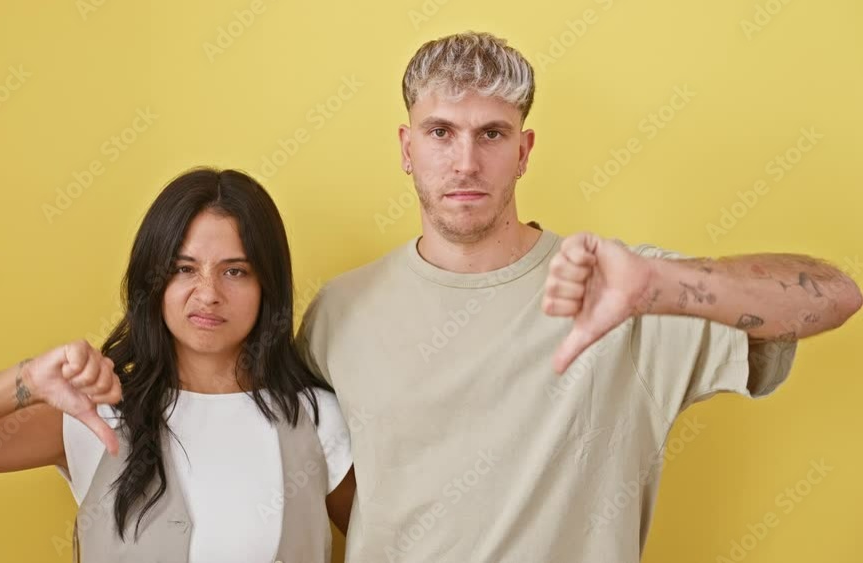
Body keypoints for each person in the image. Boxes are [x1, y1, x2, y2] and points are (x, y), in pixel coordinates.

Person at [296, 31, 862, 562]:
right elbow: (312, 475)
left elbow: (835, 297)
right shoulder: (339, 312)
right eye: (440, 131)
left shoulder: (625, 290)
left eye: (491, 133)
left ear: (524, 150)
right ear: (406, 147)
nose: (465, 162)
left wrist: (658, 286)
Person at [0, 168, 356, 562]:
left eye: (235, 271)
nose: (208, 293)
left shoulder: (315, 421)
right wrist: (24, 381)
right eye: (184, 269)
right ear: (152, 282)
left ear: (267, 285)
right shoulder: (96, 413)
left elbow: (402, 546)